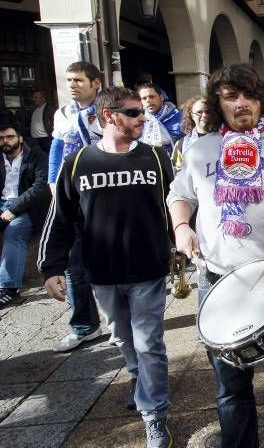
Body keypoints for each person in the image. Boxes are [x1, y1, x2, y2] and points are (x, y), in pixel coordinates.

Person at [168, 64, 264, 445]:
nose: (241, 104)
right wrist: (181, 227)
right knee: (230, 383)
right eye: (230, 97)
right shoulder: (200, 150)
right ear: (217, 103)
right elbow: (180, 196)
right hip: (217, 278)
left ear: (261, 100)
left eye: (249, 96)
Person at [39, 86, 174, 448]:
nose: (142, 117)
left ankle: (155, 415)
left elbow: (176, 204)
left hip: (148, 268)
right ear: (109, 116)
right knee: (122, 337)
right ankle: (138, 376)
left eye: (141, 112)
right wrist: (51, 266)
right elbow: (61, 220)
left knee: (149, 343)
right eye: (133, 112)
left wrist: (183, 242)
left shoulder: (157, 159)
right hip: (101, 272)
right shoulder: (78, 163)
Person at [48, 61, 104, 352]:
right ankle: (84, 325)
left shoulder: (107, 109)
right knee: (73, 263)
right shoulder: (64, 114)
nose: (72, 84)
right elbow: (57, 149)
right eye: (69, 79)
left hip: (102, 193)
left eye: (79, 80)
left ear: (95, 83)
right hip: (72, 194)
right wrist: (52, 182)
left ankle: (121, 314)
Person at [0, 123, 49, 307]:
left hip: (27, 207)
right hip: (2, 204)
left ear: (20, 138)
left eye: (10, 137)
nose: (5, 141)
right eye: (1, 138)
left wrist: (13, 210)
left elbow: (40, 187)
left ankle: (9, 288)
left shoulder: (37, 156)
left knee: (13, 232)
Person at [137, 83, 183, 155]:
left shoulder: (180, 117)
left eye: (151, 97)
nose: (148, 101)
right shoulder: (138, 121)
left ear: (161, 98)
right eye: (144, 98)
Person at [171, 95, 210, 171]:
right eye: (199, 112)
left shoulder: (224, 139)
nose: (204, 115)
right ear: (192, 115)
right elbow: (177, 172)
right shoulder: (181, 144)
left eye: (208, 111)